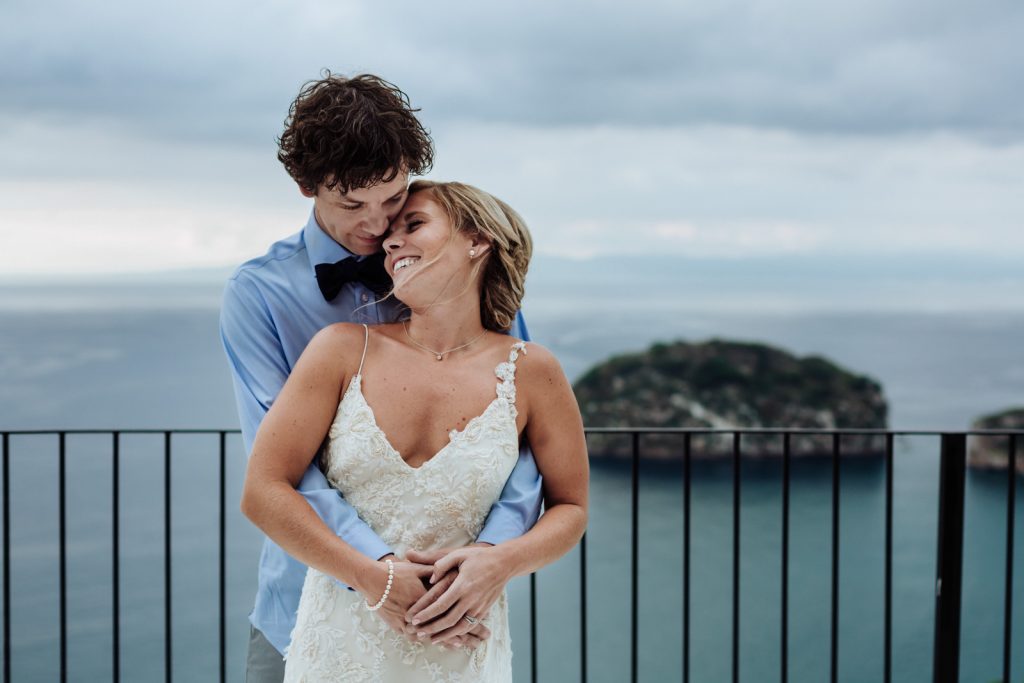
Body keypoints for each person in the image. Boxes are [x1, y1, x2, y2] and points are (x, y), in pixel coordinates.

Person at [219, 73, 543, 681]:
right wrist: (376, 569)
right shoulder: (258, 294)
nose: (376, 226)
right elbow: (280, 466)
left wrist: (488, 555)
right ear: (304, 186)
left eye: (394, 200)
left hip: (453, 610)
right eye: (351, 205)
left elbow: (518, 433)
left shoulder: (456, 266)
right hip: (305, 608)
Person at [241, 180, 589, 682]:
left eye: (414, 224)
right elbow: (263, 492)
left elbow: (571, 509)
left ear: (478, 240)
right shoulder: (340, 349)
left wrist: (502, 563)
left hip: (462, 649)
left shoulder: (532, 370)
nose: (388, 241)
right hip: (340, 645)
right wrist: (371, 579)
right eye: (392, 235)